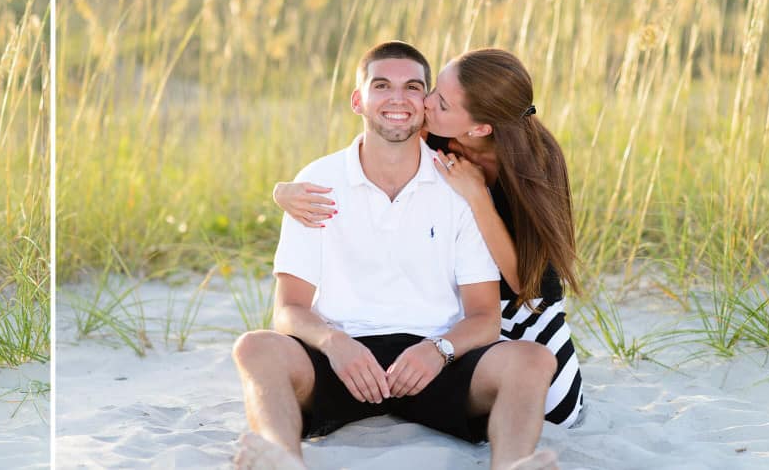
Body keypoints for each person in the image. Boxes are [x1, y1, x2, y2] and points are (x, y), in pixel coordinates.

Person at [231, 41, 559, 470]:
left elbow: (485, 316)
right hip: (343, 360)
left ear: (425, 105)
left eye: (413, 87)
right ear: (358, 100)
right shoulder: (317, 182)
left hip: (438, 360)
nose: (398, 98)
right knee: (255, 347)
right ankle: (280, 459)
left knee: (534, 358)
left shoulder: (459, 183)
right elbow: (289, 309)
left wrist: (438, 349)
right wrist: (335, 344)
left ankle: (514, 465)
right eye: (382, 85)